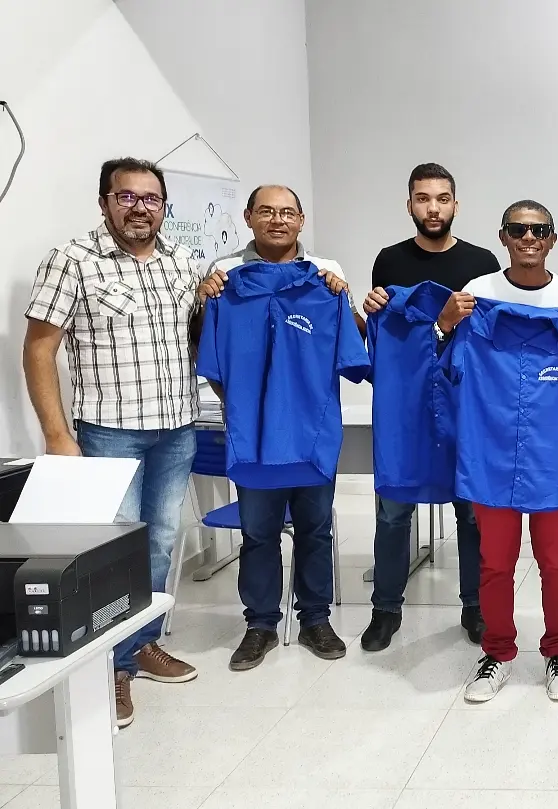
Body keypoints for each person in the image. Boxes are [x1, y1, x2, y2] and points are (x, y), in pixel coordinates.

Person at [22, 157, 202, 728]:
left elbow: (198, 336)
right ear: (105, 202)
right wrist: (57, 434)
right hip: (109, 431)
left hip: (177, 427)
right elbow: (39, 348)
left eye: (151, 198)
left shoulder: (182, 261)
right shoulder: (72, 260)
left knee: (160, 542)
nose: (139, 208)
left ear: (164, 206)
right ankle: (112, 669)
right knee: (113, 552)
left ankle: (141, 645)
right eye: (126, 197)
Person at [459, 200, 558, 703]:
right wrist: (444, 323)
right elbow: (448, 365)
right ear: (503, 236)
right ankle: (497, 652)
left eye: (539, 230)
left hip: (551, 456)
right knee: (495, 563)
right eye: (519, 229)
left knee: (555, 562)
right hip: (493, 453)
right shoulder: (479, 294)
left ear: (552, 239)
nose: (529, 237)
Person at [198, 185, 356, 671]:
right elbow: (210, 358)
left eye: (287, 212)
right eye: (266, 211)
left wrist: (341, 298)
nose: (277, 219)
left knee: (315, 529)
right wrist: (246, 407)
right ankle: (260, 625)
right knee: (258, 532)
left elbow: (352, 350)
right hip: (253, 440)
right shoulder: (225, 280)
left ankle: (315, 620)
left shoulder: (326, 278)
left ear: (301, 220)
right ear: (248, 217)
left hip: (312, 436)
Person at [358, 163, 502, 652]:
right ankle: (385, 609)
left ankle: (475, 606)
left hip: (465, 405)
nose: (433, 208)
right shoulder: (390, 262)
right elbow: (387, 338)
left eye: (442, 199)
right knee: (393, 511)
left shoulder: (482, 263)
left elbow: (487, 338)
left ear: (455, 204)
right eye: (423, 199)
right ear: (410, 205)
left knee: (472, 513)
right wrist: (375, 312)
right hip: (407, 407)